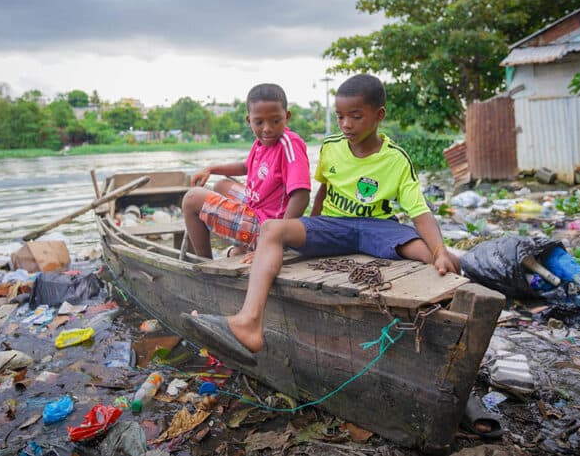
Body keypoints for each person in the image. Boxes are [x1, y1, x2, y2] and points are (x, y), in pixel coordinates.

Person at [184, 74, 460, 361]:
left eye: (355, 117)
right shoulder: (331, 147)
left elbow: (420, 212)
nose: (346, 125)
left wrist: (439, 250)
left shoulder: (396, 159)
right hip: (333, 225)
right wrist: (305, 228)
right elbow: (321, 194)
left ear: (379, 116)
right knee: (272, 229)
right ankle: (249, 322)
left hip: (377, 226)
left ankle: (447, 328)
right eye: (340, 117)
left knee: (436, 257)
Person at [181, 83, 311, 259]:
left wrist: (278, 241)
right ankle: (242, 247)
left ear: (286, 117)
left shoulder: (289, 144)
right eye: (259, 122)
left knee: (191, 199)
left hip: (269, 229)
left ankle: (204, 263)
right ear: (249, 120)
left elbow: (301, 195)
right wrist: (211, 169)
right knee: (221, 185)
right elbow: (245, 167)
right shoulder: (260, 143)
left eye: (275, 120)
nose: (267, 128)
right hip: (257, 210)